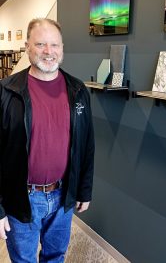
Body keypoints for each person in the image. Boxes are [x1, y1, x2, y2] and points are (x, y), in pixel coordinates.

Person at [0, 18, 95, 262]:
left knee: (55, 256)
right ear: (28, 46)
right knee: (24, 259)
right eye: (40, 44)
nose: (48, 52)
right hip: (21, 199)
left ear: (62, 48)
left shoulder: (78, 90)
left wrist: (83, 190)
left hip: (62, 195)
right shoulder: (6, 91)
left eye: (54, 45)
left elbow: (87, 146)